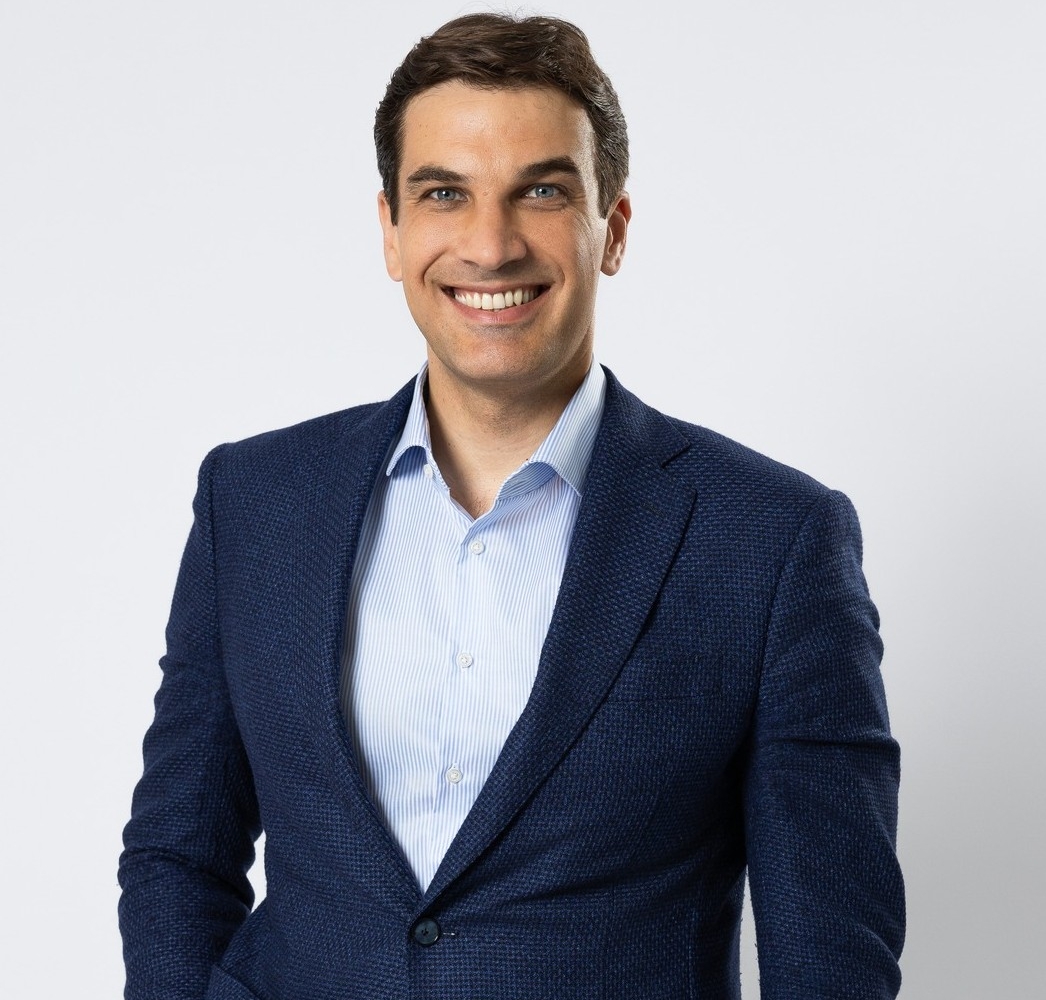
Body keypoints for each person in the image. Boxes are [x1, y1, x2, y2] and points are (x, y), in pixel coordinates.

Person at [119, 13, 904, 1000]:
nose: (488, 246)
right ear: (391, 230)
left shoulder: (771, 540)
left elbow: (829, 956)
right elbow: (178, 851)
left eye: (541, 190)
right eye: (443, 193)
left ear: (613, 229)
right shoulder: (256, 502)